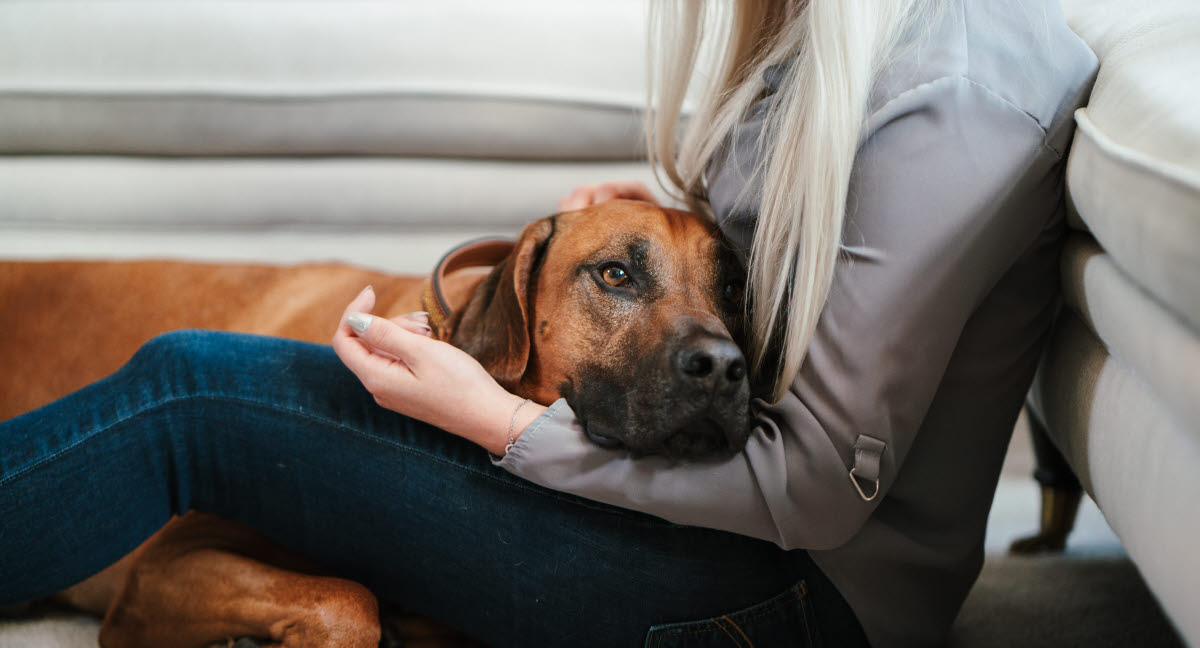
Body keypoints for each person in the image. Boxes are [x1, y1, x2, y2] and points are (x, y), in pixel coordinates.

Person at [0, 0, 1097, 645]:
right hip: (720, 546)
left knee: (194, 391)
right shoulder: (831, 39)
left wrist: (503, 426)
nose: (715, 340)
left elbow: (816, 483)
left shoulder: (957, 90)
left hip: (787, 595)